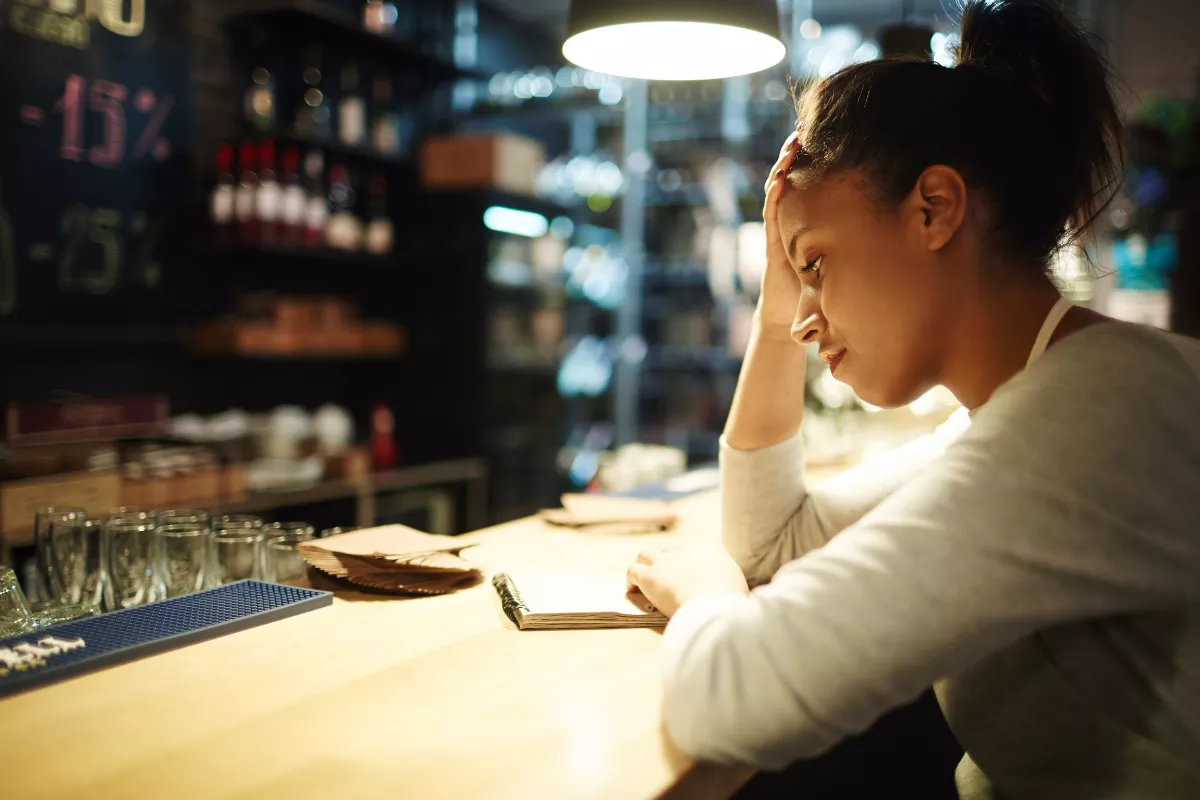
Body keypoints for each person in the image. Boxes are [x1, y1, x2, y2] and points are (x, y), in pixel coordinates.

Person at [624, 1, 1200, 797]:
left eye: (818, 265)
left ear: (935, 209)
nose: (802, 318)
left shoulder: (1098, 414)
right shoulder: (1026, 405)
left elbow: (733, 699)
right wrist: (776, 290)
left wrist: (705, 598)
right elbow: (774, 543)